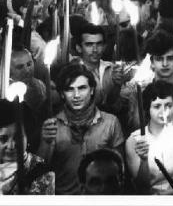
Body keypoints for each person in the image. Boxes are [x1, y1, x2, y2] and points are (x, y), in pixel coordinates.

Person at [37, 62, 124, 194]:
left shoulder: (110, 122)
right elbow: (41, 171)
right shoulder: (52, 126)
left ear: (92, 90)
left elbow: (120, 169)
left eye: (82, 88)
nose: (76, 95)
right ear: (62, 94)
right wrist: (45, 142)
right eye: (70, 89)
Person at [127, 31, 173, 154]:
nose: (165, 64)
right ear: (151, 62)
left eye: (170, 58)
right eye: (159, 59)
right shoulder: (138, 94)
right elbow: (134, 132)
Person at [0, 99, 55, 194]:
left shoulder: (42, 172)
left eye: (18, 138)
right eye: (3, 139)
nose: (11, 146)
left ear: (27, 137)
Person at [125, 80, 173, 194]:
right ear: (148, 109)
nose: (164, 111)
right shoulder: (134, 141)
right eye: (157, 106)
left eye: (168, 105)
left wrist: (166, 195)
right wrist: (144, 160)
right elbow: (141, 187)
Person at [73, 22, 124, 114]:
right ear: (79, 48)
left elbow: (114, 103)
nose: (95, 49)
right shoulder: (72, 71)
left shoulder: (112, 69)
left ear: (104, 46)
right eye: (89, 44)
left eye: (99, 44)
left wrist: (117, 85)